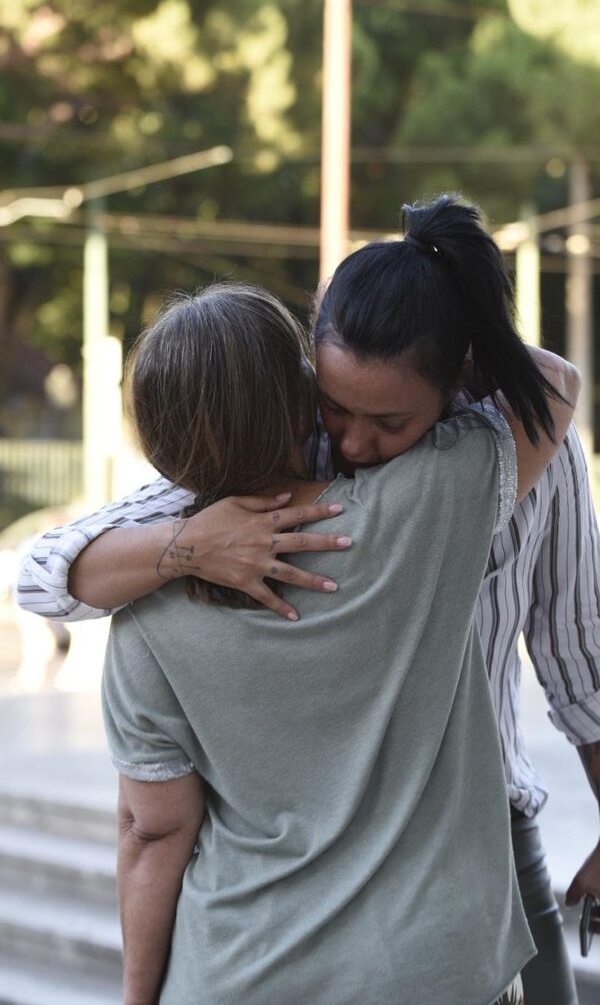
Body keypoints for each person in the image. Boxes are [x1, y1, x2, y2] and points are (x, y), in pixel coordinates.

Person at [17, 194, 599, 1003]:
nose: (356, 442)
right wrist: (193, 545)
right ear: (303, 389)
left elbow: (152, 829)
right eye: (334, 407)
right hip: (438, 945)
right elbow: (40, 572)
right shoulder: (438, 500)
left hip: (280, 943)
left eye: (390, 418)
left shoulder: (143, 620)